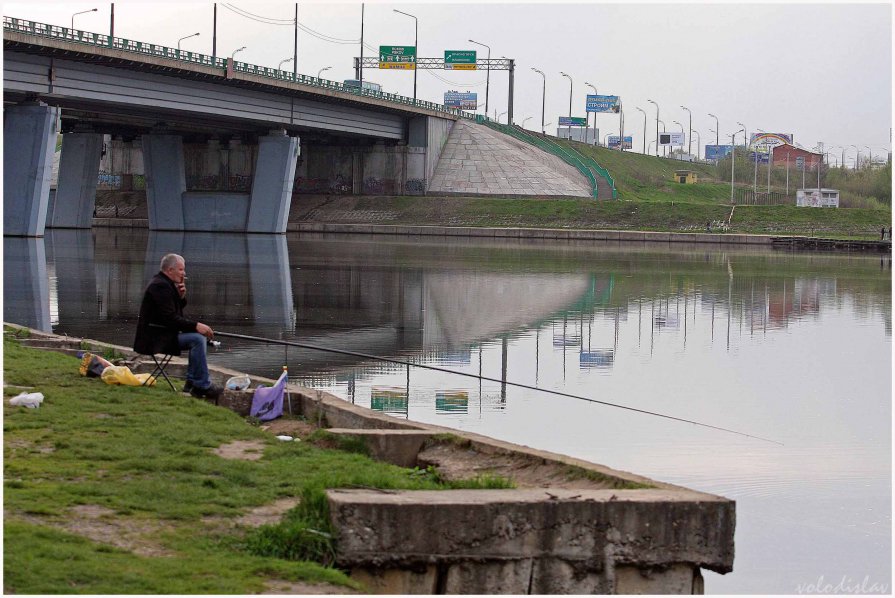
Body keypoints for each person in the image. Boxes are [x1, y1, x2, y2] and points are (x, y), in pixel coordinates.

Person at [133, 253, 222, 399]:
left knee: (198, 337)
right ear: (170, 270)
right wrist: (196, 326)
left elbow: (171, 313)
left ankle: (192, 382)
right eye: (181, 270)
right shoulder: (160, 286)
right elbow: (170, 319)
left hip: (162, 333)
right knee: (197, 339)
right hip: (154, 338)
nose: (184, 273)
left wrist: (180, 297)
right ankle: (202, 386)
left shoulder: (165, 284)